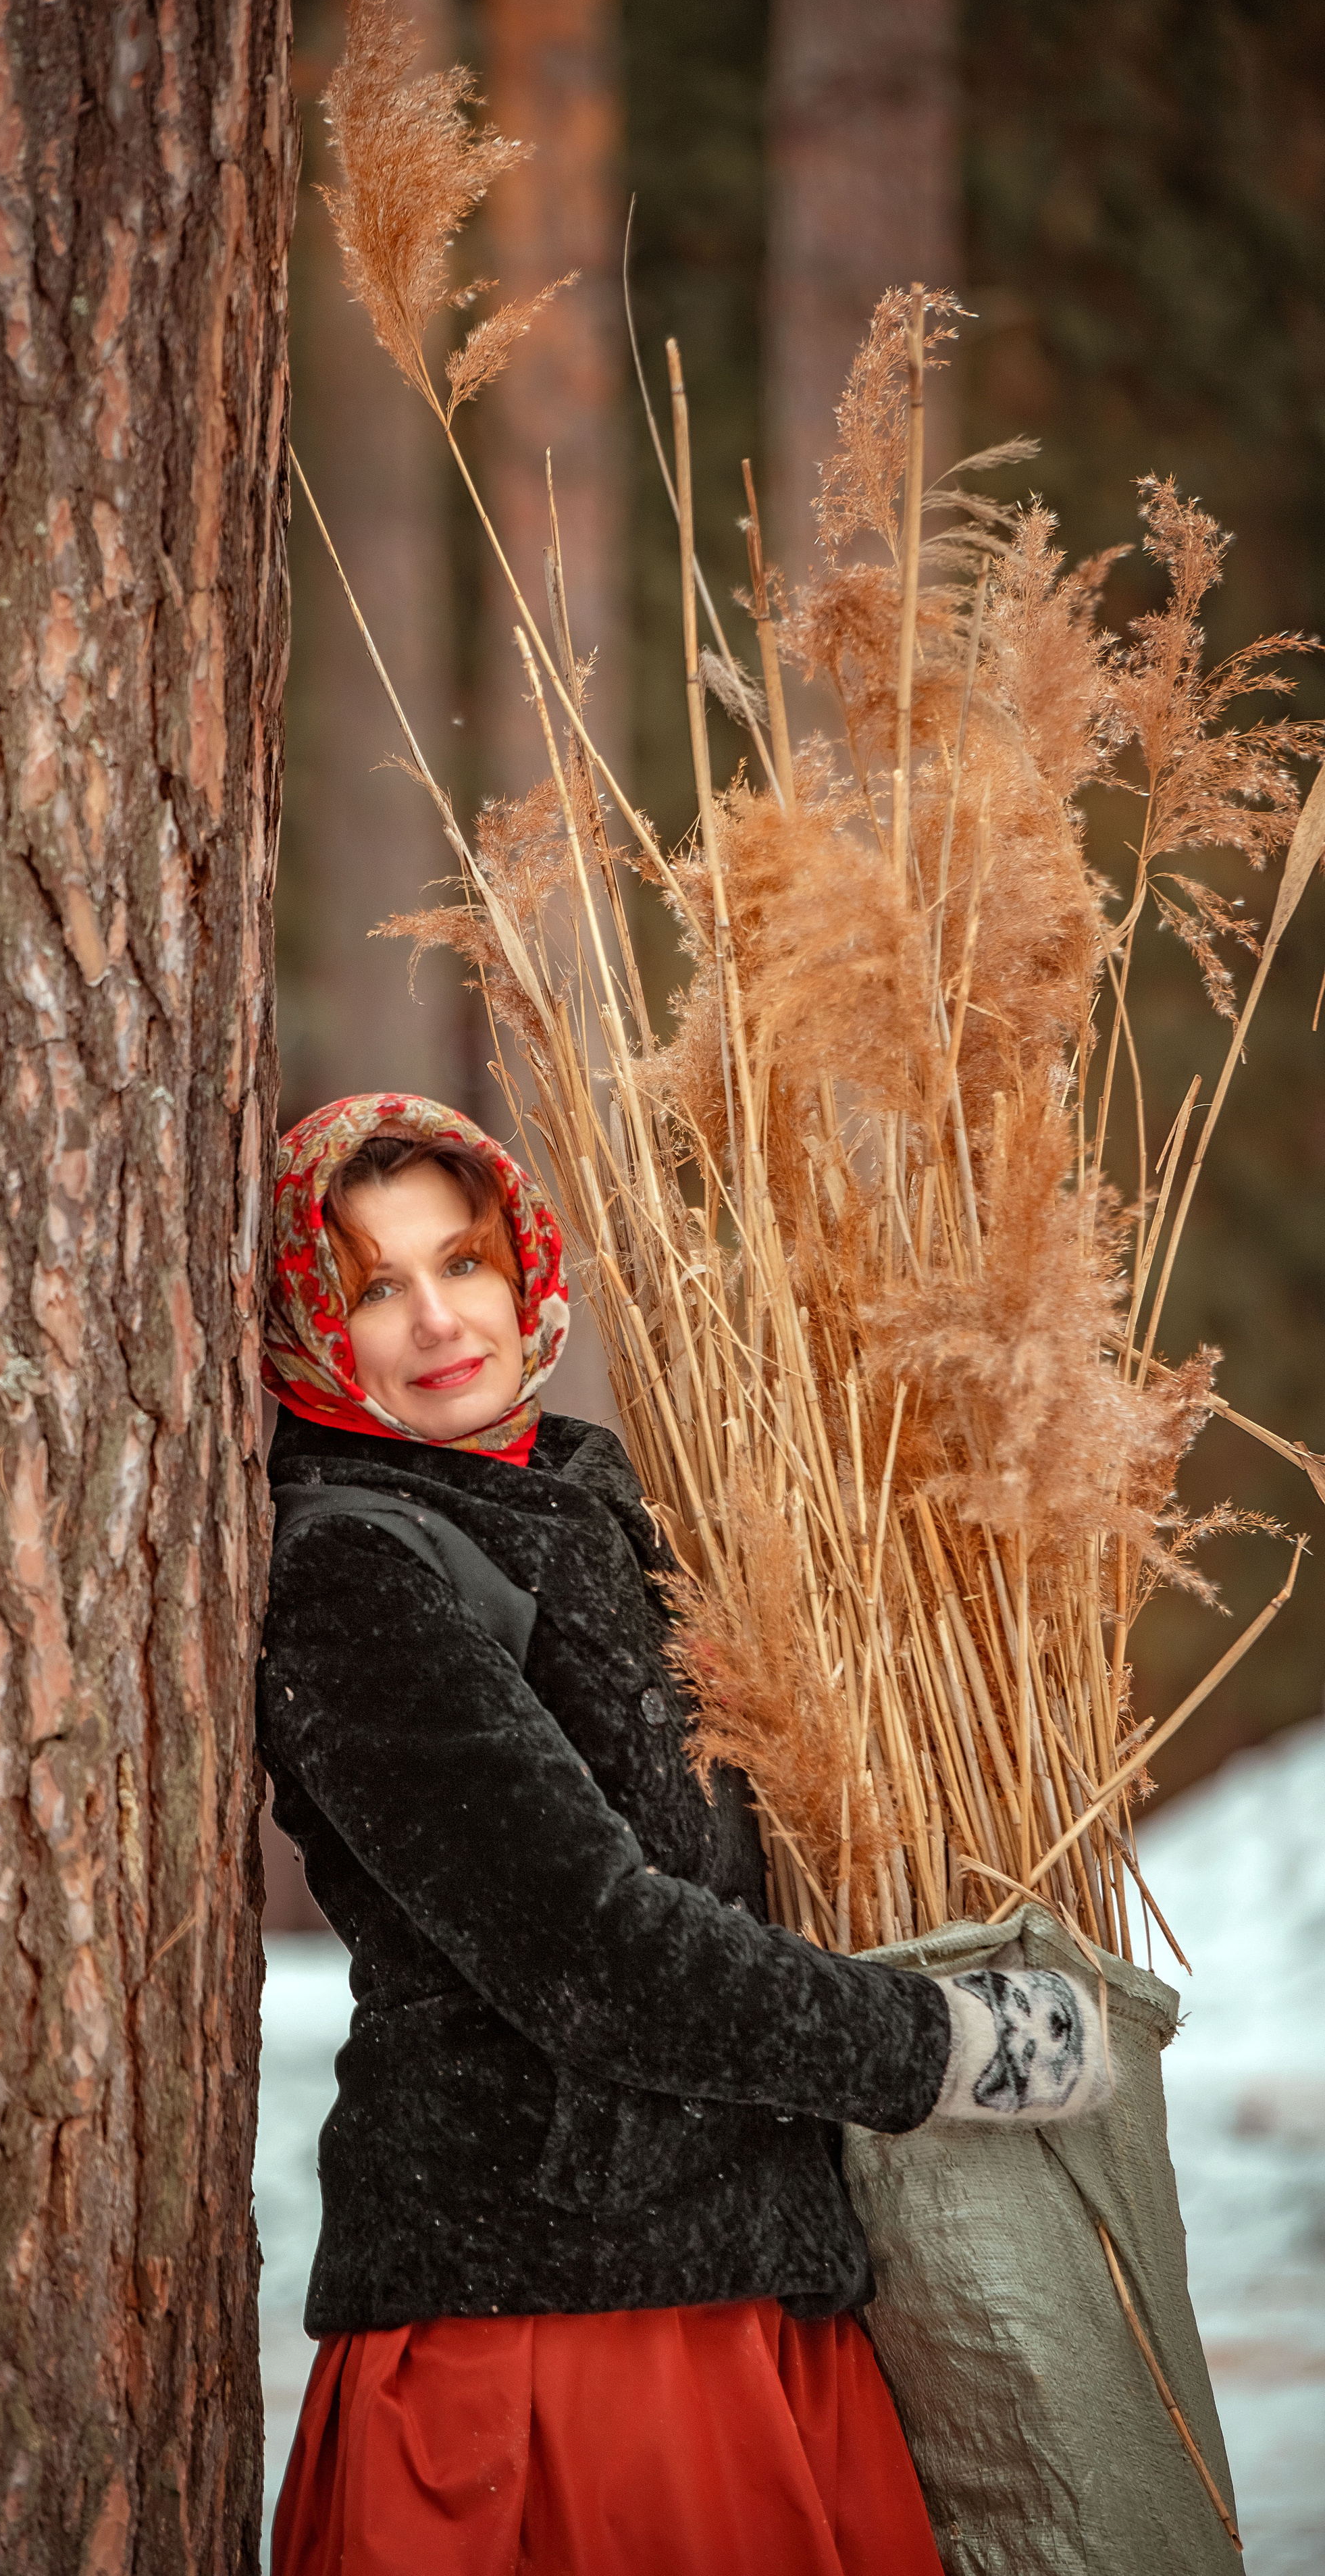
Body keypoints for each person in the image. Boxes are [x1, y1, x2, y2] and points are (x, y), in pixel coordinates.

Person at [257, 1091, 1111, 2576]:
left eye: (461, 1262)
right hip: (552, 2325)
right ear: (305, 1327)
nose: (438, 1320)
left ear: (522, 1269)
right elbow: (593, 1951)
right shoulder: (354, 1569)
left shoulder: (594, 1504)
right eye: (373, 1289)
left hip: (751, 2285)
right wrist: (947, 2046)